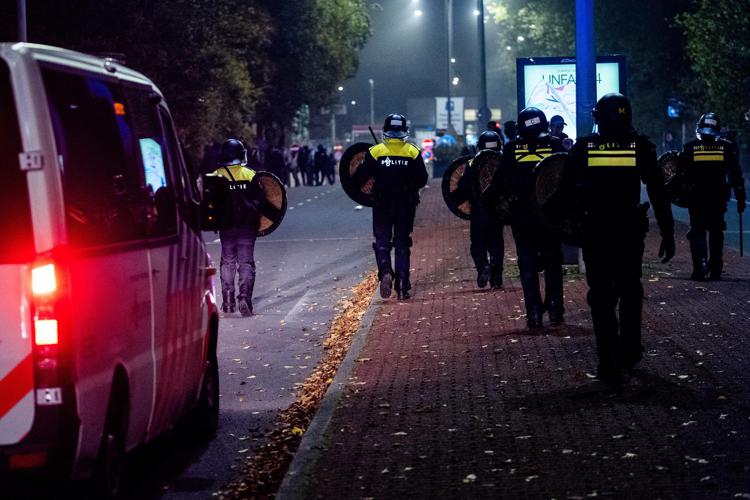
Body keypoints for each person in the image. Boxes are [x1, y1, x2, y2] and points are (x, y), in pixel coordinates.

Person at [565, 93, 675, 385]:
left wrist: (569, 226)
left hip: (596, 232)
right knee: (630, 291)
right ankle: (629, 350)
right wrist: (667, 231)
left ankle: (607, 361)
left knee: (601, 297)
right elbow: (658, 192)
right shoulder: (640, 146)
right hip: (628, 232)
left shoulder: (584, 147)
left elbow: (564, 190)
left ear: (598, 117)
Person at [498, 107, 566, 328]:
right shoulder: (555, 145)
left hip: (522, 218)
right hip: (550, 216)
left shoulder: (510, 149)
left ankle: (534, 313)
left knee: (527, 266)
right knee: (553, 263)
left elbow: (500, 183)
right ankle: (555, 309)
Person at [354, 113, 428, 300]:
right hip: (406, 205)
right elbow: (422, 180)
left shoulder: (375, 152)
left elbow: (359, 179)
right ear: (404, 131)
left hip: (382, 204)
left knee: (382, 243)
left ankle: (386, 271)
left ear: (385, 130)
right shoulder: (412, 151)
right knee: (402, 243)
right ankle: (403, 284)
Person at [678, 113, 745, 280]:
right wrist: (741, 198)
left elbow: (680, 175)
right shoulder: (727, 148)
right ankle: (715, 269)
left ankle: (699, 268)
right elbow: (736, 175)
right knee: (716, 232)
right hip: (718, 197)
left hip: (696, 198)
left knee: (697, 231)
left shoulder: (689, 148)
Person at [211, 138, 265, 317]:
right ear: (241, 154)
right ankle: (244, 299)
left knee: (227, 262)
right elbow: (262, 202)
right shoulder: (249, 174)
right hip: (247, 227)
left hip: (226, 227)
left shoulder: (216, 175)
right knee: (246, 263)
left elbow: (210, 203)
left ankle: (227, 303)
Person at [455, 130, 505, 288]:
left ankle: (483, 266)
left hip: (478, 210)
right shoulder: (503, 161)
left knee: (478, 243)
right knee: (496, 244)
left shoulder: (472, 163)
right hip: (498, 211)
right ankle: (496, 279)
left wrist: (456, 199)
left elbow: (463, 187)